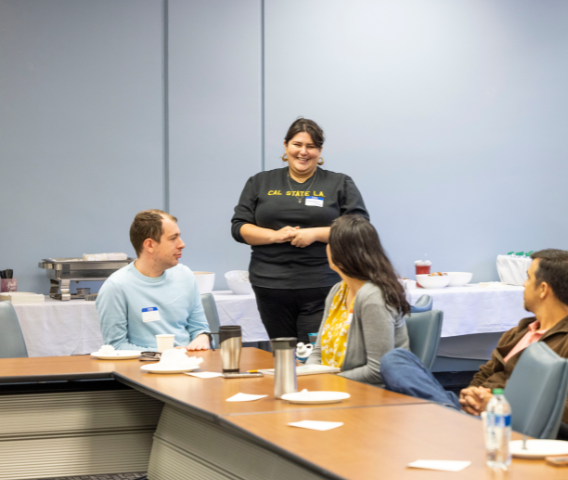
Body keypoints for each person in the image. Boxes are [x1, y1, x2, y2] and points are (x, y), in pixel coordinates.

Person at [381, 249, 568, 430]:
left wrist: (499, 406)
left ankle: (445, 416)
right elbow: (485, 374)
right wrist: (471, 396)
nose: (523, 285)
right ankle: (448, 414)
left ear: (542, 289)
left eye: (527, 278)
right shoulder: (520, 332)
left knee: (409, 402)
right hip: (474, 414)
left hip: (506, 425)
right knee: (397, 359)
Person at [231, 118, 369, 344]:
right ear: (286, 146)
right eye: (297, 145)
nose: (303, 152)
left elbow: (359, 228)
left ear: (320, 150)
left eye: (311, 146)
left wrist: (315, 233)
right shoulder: (260, 182)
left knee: (314, 357)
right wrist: (274, 236)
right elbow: (239, 228)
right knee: (284, 355)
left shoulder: (339, 183)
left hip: (323, 285)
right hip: (269, 285)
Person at [305, 215, 410, 385]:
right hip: (338, 386)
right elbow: (318, 352)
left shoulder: (373, 298)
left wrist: (327, 381)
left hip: (372, 393)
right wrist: (310, 376)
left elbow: (378, 371)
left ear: (342, 254)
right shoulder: (338, 291)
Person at [97, 209, 211, 351]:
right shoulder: (116, 287)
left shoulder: (185, 276)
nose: (182, 244)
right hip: (142, 369)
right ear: (150, 245)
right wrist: (165, 354)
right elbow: (116, 347)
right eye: (173, 238)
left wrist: (203, 337)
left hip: (188, 364)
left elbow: (199, 328)